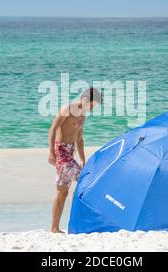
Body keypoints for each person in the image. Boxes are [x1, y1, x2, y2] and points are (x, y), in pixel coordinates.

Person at [48, 87, 102, 233]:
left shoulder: (83, 114)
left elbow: (79, 139)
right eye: (93, 104)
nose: (93, 107)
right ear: (86, 99)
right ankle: (88, 221)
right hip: (61, 152)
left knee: (62, 192)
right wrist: (51, 152)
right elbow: (52, 129)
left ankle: (54, 228)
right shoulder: (68, 109)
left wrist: (83, 159)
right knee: (84, 180)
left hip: (70, 153)